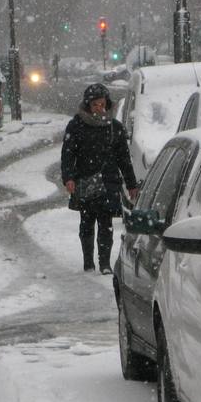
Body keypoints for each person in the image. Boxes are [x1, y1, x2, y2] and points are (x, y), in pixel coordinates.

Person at [61, 83, 138, 274]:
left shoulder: (115, 127)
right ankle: (88, 262)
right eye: (95, 105)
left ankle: (105, 264)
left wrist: (131, 183)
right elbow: (68, 154)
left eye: (102, 104)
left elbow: (124, 158)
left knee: (106, 223)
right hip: (85, 181)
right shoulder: (76, 125)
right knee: (86, 222)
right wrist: (68, 178)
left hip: (108, 182)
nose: (99, 108)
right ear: (88, 105)